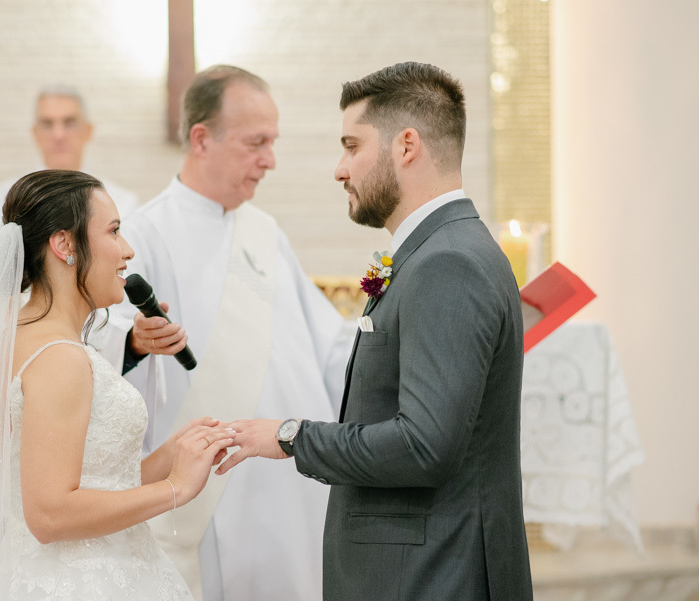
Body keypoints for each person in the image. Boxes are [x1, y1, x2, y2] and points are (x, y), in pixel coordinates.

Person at [217, 62, 534, 600]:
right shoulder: (439, 251)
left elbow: (424, 445)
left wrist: (291, 436)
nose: (340, 169)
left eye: (351, 145)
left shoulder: (447, 263)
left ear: (406, 145)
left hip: (429, 575)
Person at [0, 170, 234, 600]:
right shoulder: (61, 358)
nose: (127, 250)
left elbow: (90, 482)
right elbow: (49, 514)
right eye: (113, 231)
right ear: (65, 245)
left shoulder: (16, 338)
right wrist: (176, 489)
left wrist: (170, 457)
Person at [96, 66, 354, 601]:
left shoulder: (264, 230)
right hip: (213, 487)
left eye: (273, 143)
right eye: (256, 142)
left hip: (289, 473)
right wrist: (135, 340)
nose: (270, 160)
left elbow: (329, 346)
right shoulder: (145, 231)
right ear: (201, 139)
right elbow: (104, 340)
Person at [0, 86, 139, 232]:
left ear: (88, 131)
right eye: (47, 124)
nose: (58, 135)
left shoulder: (123, 204)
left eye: (70, 123)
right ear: (35, 133)